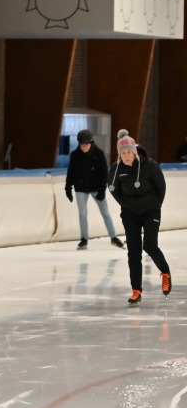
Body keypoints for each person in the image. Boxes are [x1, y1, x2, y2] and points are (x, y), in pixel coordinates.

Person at [109, 134, 170, 306]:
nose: (126, 155)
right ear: (119, 154)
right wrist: (127, 205)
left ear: (134, 152)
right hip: (130, 215)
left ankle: (165, 272)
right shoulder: (116, 170)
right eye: (123, 153)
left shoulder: (150, 166)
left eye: (129, 152)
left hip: (151, 212)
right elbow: (114, 190)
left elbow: (161, 186)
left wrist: (155, 205)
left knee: (149, 245)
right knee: (133, 253)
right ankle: (136, 290)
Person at [64, 129, 122, 250]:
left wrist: (102, 190)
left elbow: (104, 173)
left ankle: (113, 237)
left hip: (96, 187)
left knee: (105, 212)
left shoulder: (99, 154)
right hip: (81, 188)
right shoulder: (75, 155)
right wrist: (68, 187)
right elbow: (71, 172)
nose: (84, 146)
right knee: (82, 213)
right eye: (82, 144)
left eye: (86, 144)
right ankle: (84, 238)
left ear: (91, 143)